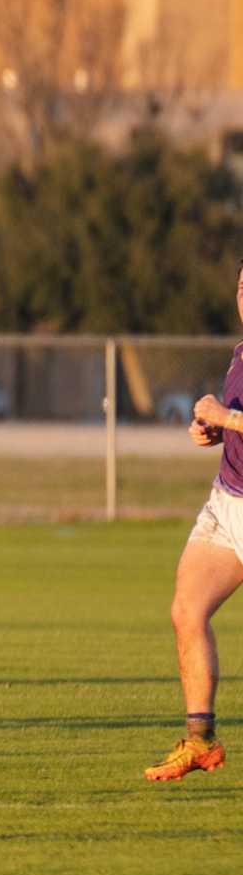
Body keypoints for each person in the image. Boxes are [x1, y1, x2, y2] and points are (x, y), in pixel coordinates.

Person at [154, 263, 243, 780]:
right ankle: (201, 741)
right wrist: (214, 432)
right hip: (227, 501)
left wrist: (228, 417)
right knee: (187, 610)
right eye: (240, 286)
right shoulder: (240, 353)